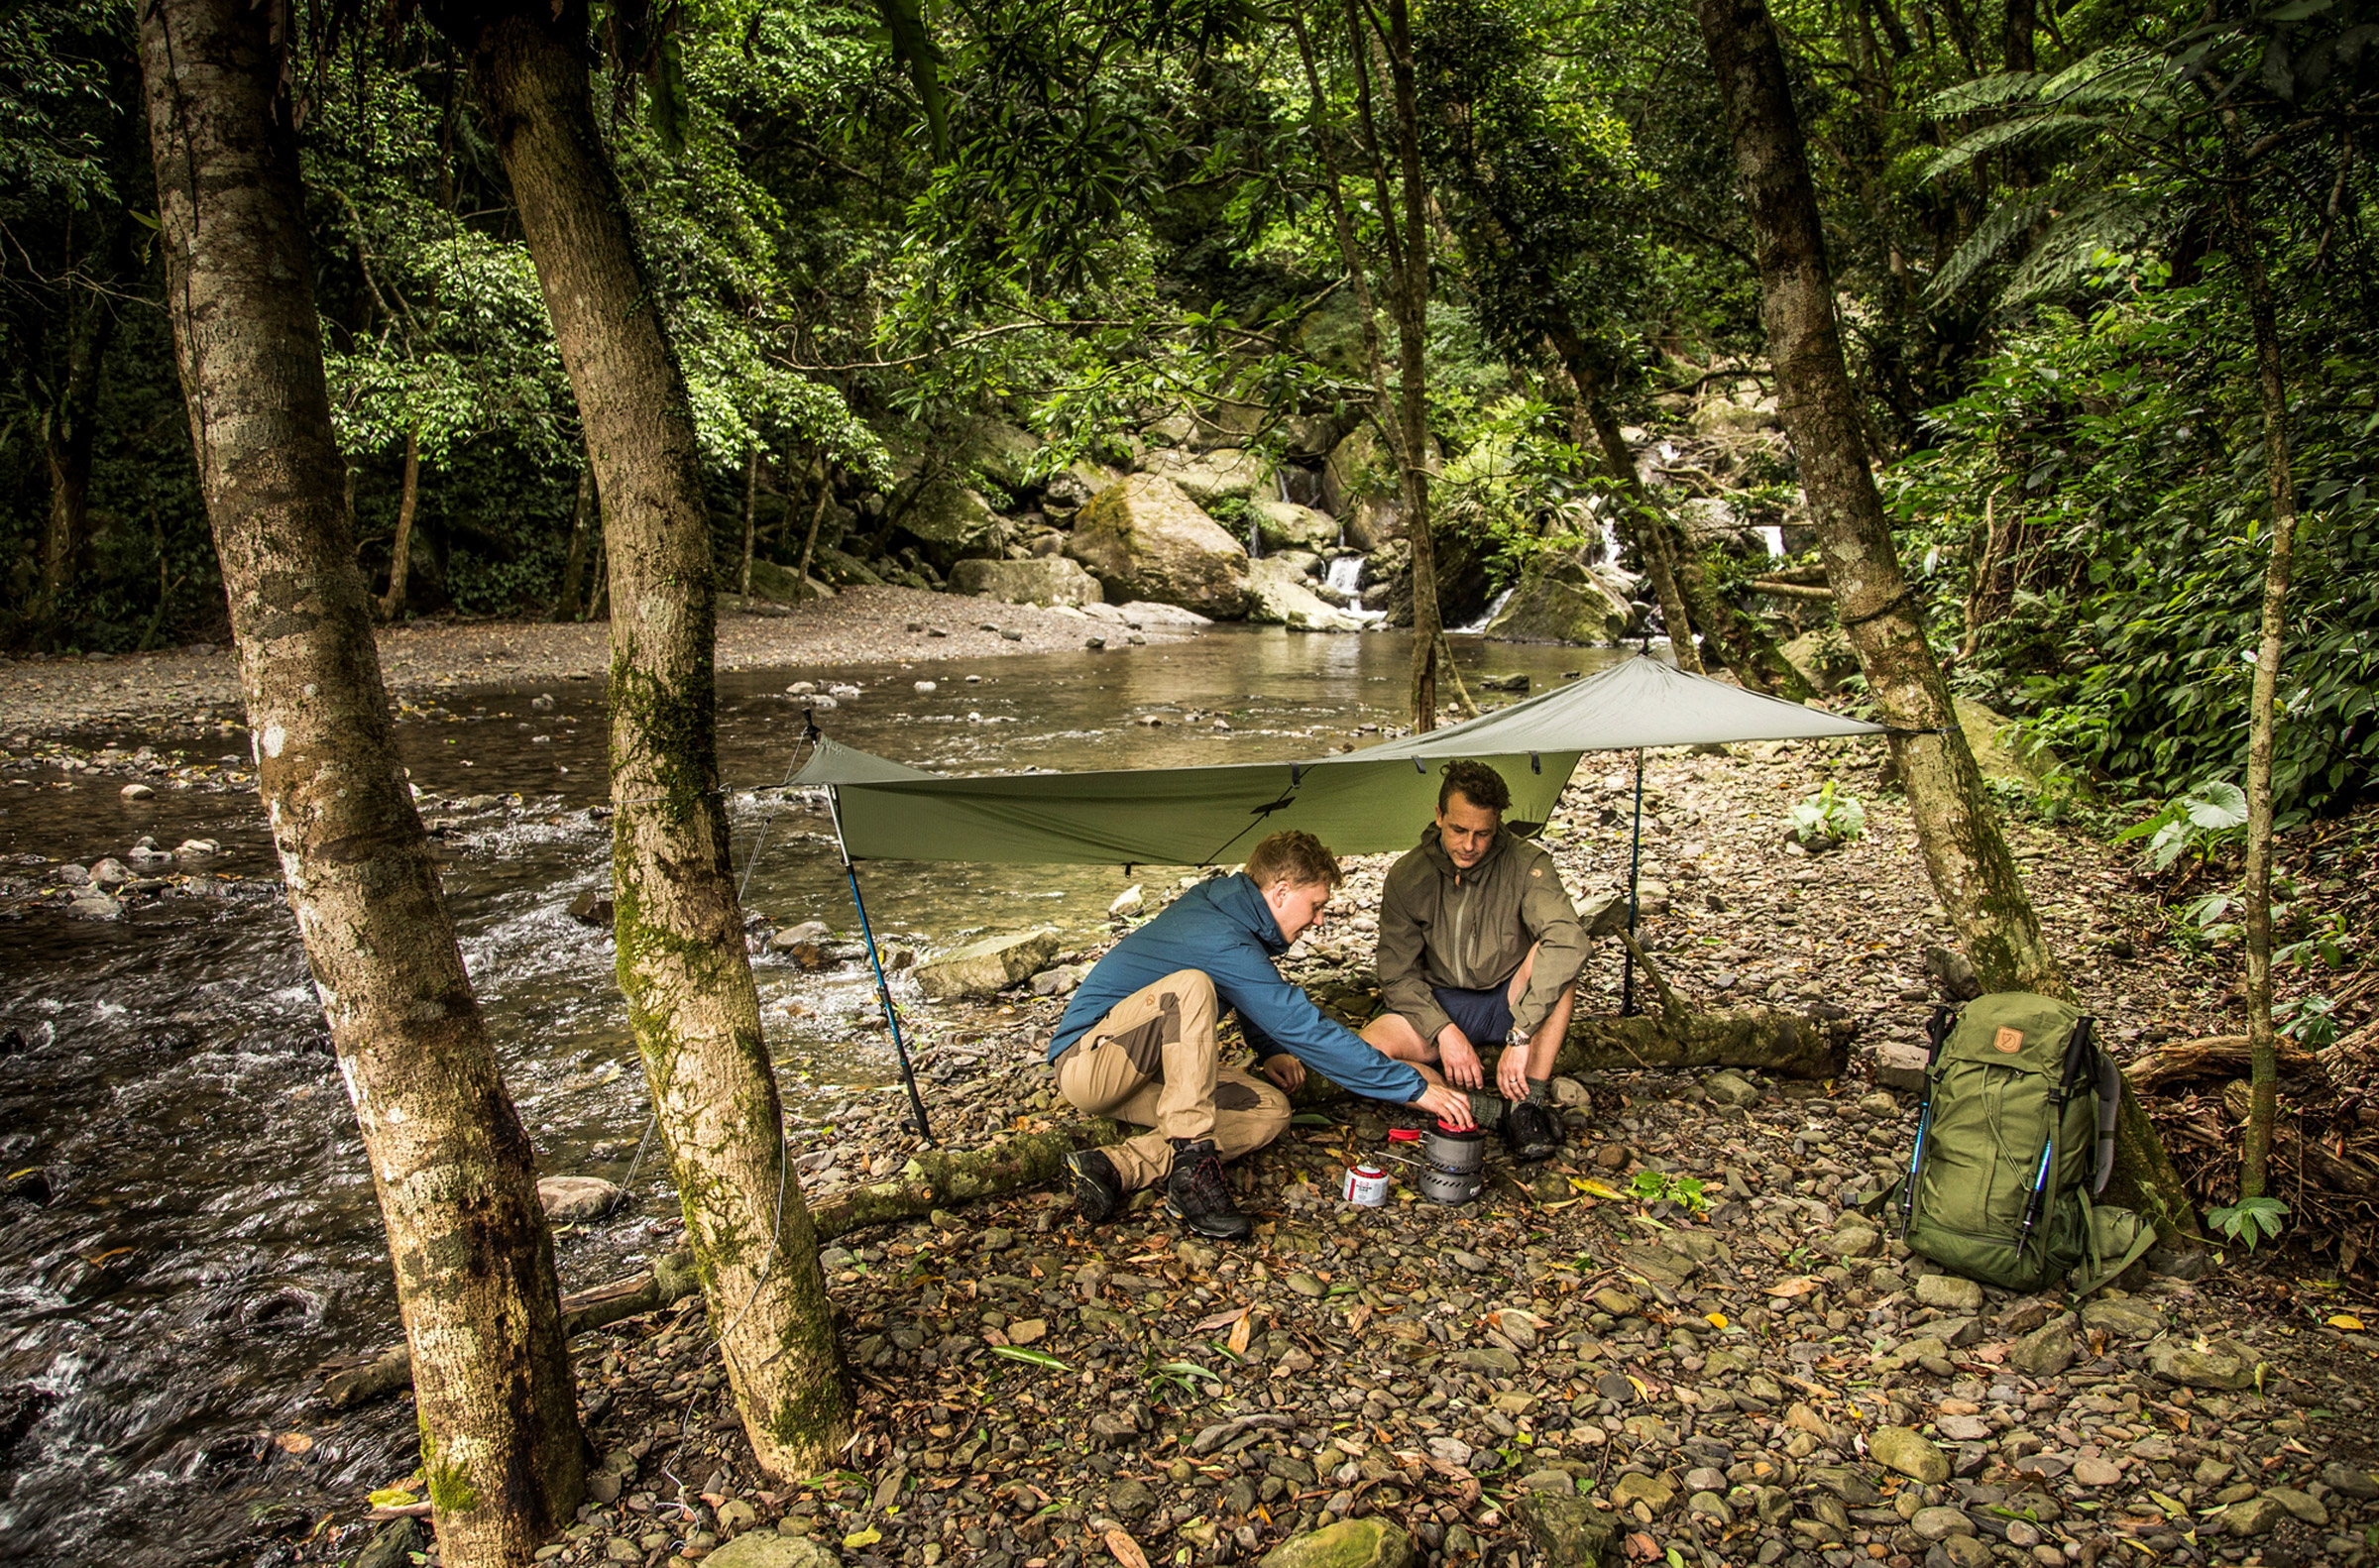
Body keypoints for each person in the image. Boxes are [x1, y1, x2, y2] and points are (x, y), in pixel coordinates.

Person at [1050, 830, 1476, 1240]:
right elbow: (1301, 1026)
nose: (1320, 920)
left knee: (1270, 1110)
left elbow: (1246, 985)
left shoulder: (1232, 919)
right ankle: (1195, 1173)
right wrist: (1412, 1087)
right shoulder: (1218, 931)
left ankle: (1112, 1167)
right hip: (1089, 1063)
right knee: (1190, 987)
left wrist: (1268, 1048)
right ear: (1281, 891)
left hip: (1148, 1071)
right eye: (1316, 905)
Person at [1362, 759, 1586, 1164]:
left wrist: (1521, 1035)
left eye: (1482, 833)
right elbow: (1397, 974)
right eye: (1458, 830)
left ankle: (1528, 1103)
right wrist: (1444, 1031)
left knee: (1557, 962)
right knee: (1368, 1050)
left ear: (1498, 823)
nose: (1469, 845)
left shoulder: (1526, 863)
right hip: (1442, 1002)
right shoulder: (1408, 875)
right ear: (1439, 815)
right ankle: (1491, 1112)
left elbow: (1567, 941)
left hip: (1510, 999)